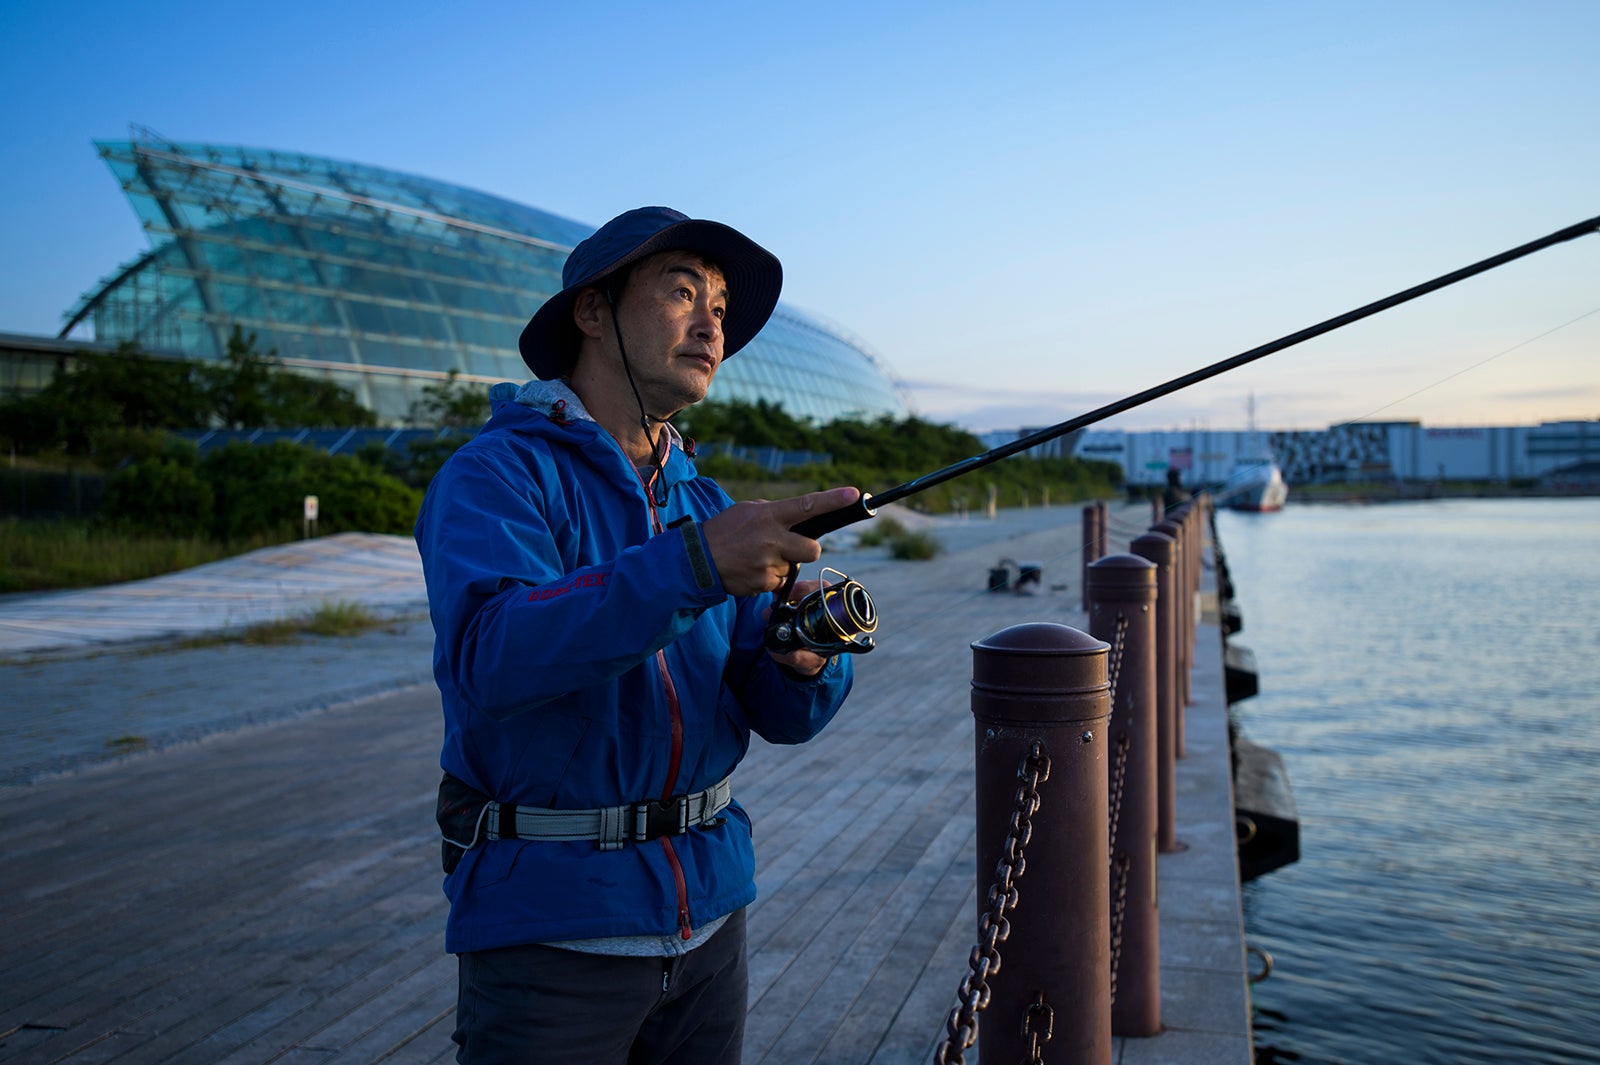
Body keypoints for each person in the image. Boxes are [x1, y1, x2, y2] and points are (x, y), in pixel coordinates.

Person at [415, 206, 859, 1064]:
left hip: (712, 923)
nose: (711, 325)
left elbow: (780, 714)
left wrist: (803, 658)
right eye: (682, 291)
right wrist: (695, 567)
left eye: (722, 308)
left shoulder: (706, 504)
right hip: (554, 937)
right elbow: (492, 657)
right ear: (593, 309)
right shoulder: (495, 476)